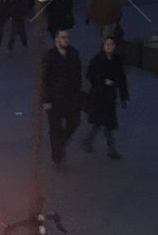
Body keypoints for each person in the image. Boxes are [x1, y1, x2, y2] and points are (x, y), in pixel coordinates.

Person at [82, 35, 129, 159]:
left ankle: (92, 142)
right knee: (102, 122)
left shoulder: (117, 60)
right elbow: (90, 75)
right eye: (107, 44)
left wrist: (124, 96)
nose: (109, 46)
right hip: (99, 96)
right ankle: (109, 149)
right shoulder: (98, 59)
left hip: (110, 97)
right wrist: (103, 81)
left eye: (111, 44)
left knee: (105, 122)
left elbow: (122, 79)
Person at [42, 29, 82, 167]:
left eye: (67, 37)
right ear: (56, 39)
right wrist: (46, 99)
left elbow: (78, 74)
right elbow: (44, 79)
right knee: (55, 128)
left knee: (74, 122)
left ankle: (60, 144)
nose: (65, 40)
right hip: (54, 99)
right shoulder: (50, 56)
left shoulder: (73, 53)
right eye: (62, 37)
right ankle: (57, 156)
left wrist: (79, 94)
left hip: (70, 97)